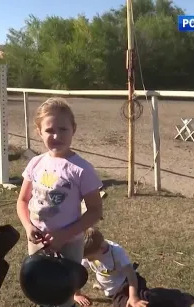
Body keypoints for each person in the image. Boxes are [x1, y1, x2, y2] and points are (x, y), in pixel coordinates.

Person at [16, 97, 104, 307]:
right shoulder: (35, 163)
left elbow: (95, 211)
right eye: (49, 130)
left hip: (69, 244)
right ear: (39, 131)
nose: (56, 135)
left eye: (63, 129)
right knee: (41, 291)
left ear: (73, 129)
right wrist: (28, 227)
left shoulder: (81, 169)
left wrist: (63, 235)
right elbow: (22, 200)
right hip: (37, 242)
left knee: (62, 297)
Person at [74, 227, 149, 307]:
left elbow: (131, 275)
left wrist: (133, 297)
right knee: (122, 303)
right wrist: (77, 294)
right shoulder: (90, 250)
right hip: (114, 291)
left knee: (143, 297)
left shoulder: (117, 253)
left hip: (125, 282)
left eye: (89, 258)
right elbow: (78, 272)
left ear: (102, 249)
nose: (87, 260)